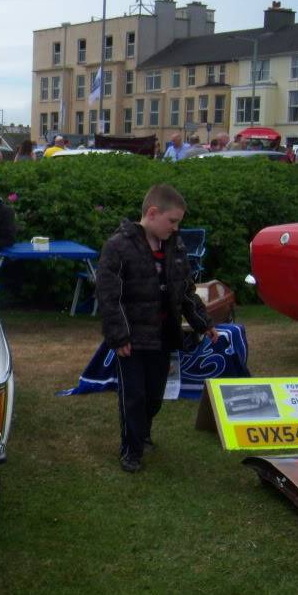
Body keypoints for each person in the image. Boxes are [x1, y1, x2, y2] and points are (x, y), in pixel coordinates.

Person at [95, 184, 217, 473]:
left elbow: (185, 291)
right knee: (133, 395)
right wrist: (119, 335)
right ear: (152, 213)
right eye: (172, 221)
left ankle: (144, 431)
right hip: (132, 340)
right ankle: (131, 450)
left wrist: (204, 322)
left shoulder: (175, 246)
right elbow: (108, 296)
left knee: (154, 394)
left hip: (163, 336)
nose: (175, 228)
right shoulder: (117, 246)